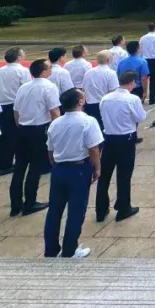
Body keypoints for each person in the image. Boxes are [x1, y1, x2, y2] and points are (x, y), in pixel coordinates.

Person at [43, 88, 102, 259]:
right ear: (80, 102)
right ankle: (70, 250)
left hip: (59, 168)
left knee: (54, 211)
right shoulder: (88, 121)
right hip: (79, 169)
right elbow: (93, 148)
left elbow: (50, 149)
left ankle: (51, 250)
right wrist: (97, 168)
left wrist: (55, 165)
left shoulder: (56, 123)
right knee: (76, 211)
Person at [11, 59, 61, 217]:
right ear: (44, 71)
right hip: (39, 130)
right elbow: (54, 112)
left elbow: (16, 111)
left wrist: (20, 126)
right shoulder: (49, 86)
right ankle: (30, 202)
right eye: (49, 67)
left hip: (22, 129)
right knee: (35, 167)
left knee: (19, 167)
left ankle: (15, 204)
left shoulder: (24, 87)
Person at [96, 71, 146, 223]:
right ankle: (123, 207)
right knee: (124, 175)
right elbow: (141, 117)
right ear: (131, 82)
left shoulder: (105, 98)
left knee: (104, 176)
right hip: (126, 139)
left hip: (109, 138)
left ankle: (101, 210)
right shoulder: (132, 99)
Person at [0, 47, 30, 175]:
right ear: (18, 57)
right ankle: (6, 164)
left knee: (4, 135)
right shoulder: (22, 71)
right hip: (14, 105)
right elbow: (26, 89)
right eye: (22, 53)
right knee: (14, 135)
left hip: (1, 105)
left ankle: (1, 162)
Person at [81, 50, 119, 132]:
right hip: (104, 104)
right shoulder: (111, 73)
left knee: (94, 129)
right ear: (109, 60)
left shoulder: (89, 72)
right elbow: (113, 91)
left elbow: (84, 89)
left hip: (90, 104)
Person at [140, 23, 155, 105]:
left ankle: (142, 97)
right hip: (154, 60)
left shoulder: (142, 38)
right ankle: (152, 98)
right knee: (153, 80)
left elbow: (141, 49)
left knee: (143, 79)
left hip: (144, 59)